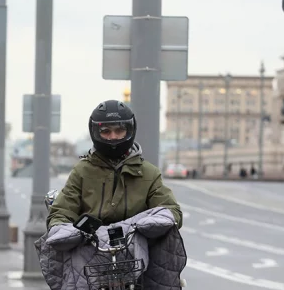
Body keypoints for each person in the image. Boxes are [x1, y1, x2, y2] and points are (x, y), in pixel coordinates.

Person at [47, 99, 182, 230]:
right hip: (89, 247)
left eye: (119, 130)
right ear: (95, 132)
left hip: (137, 247)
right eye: (106, 131)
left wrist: (153, 223)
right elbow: (62, 211)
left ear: (130, 130)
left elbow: (170, 210)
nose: (113, 137)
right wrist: (61, 228)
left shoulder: (149, 173)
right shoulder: (82, 170)